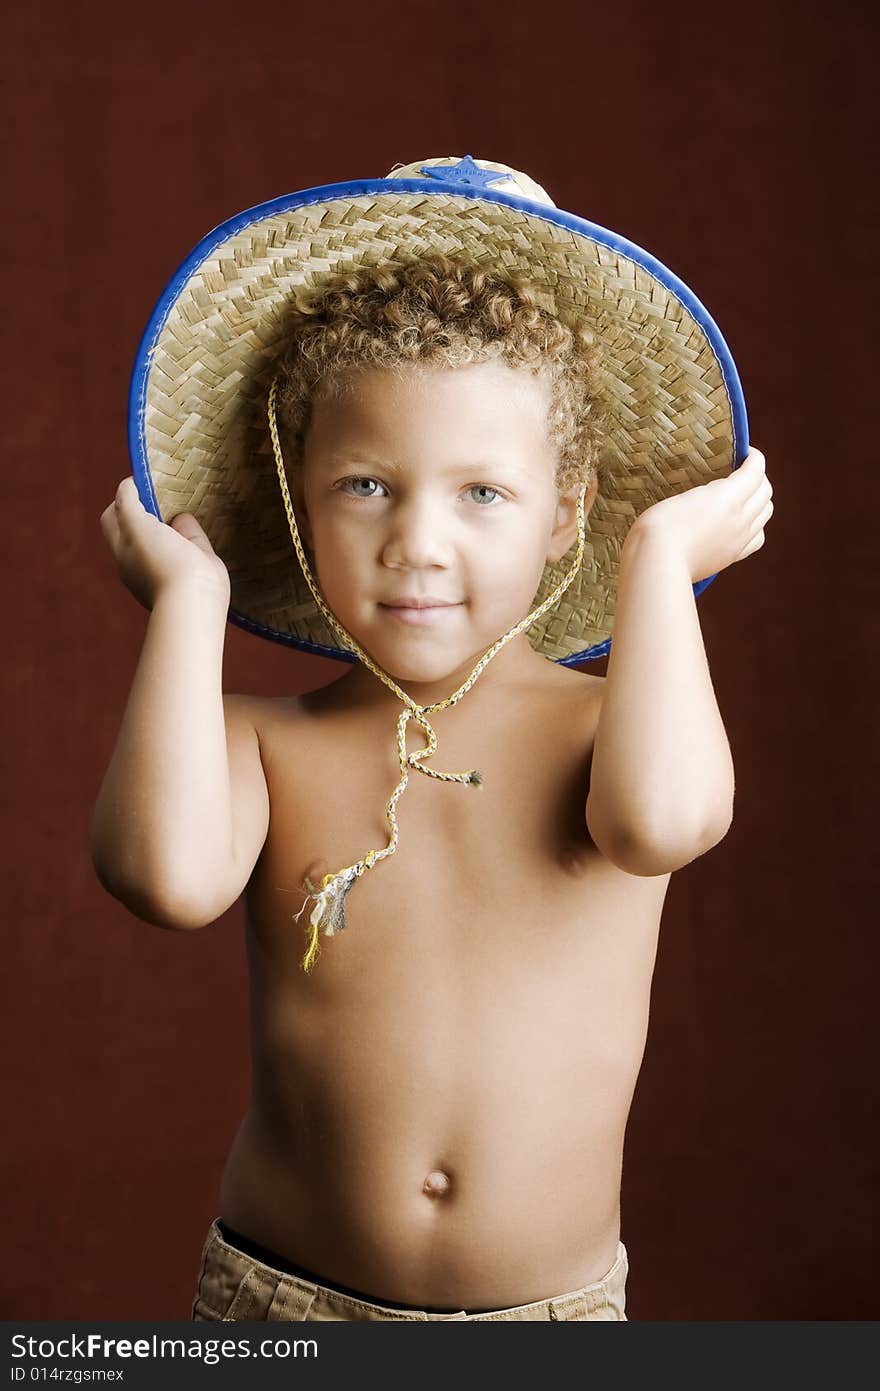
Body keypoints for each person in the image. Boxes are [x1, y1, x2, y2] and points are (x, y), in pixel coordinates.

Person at [91, 157, 773, 1322]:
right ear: (301, 502)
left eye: (482, 494)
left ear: (566, 513)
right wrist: (188, 606)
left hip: (540, 1320)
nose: (416, 541)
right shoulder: (265, 743)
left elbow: (660, 821)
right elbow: (163, 875)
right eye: (365, 483)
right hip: (279, 1303)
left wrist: (658, 557)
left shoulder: (610, 730)